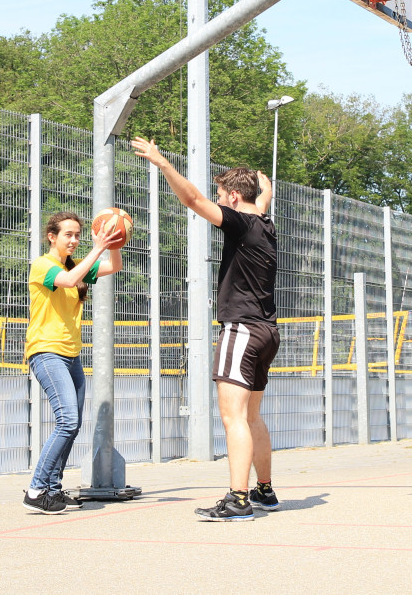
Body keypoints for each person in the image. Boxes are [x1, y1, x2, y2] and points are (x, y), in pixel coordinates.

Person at [131, 136, 279, 522]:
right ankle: (264, 490)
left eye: (222, 193)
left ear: (232, 197)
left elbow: (194, 201)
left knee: (233, 418)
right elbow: (259, 201)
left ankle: (238, 499)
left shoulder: (243, 223)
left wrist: (162, 163)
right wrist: (265, 190)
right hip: (266, 332)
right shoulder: (265, 222)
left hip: (242, 330)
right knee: (251, 417)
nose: (218, 198)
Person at [23, 212, 123, 514]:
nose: (74, 240)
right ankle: (36, 489)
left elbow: (115, 266)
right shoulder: (44, 265)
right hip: (46, 352)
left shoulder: (76, 267)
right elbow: (67, 280)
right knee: (67, 421)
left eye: (78, 234)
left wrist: (115, 240)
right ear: (52, 236)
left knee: (73, 424)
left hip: (71, 356)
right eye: (68, 234)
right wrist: (97, 248)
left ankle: (52, 489)